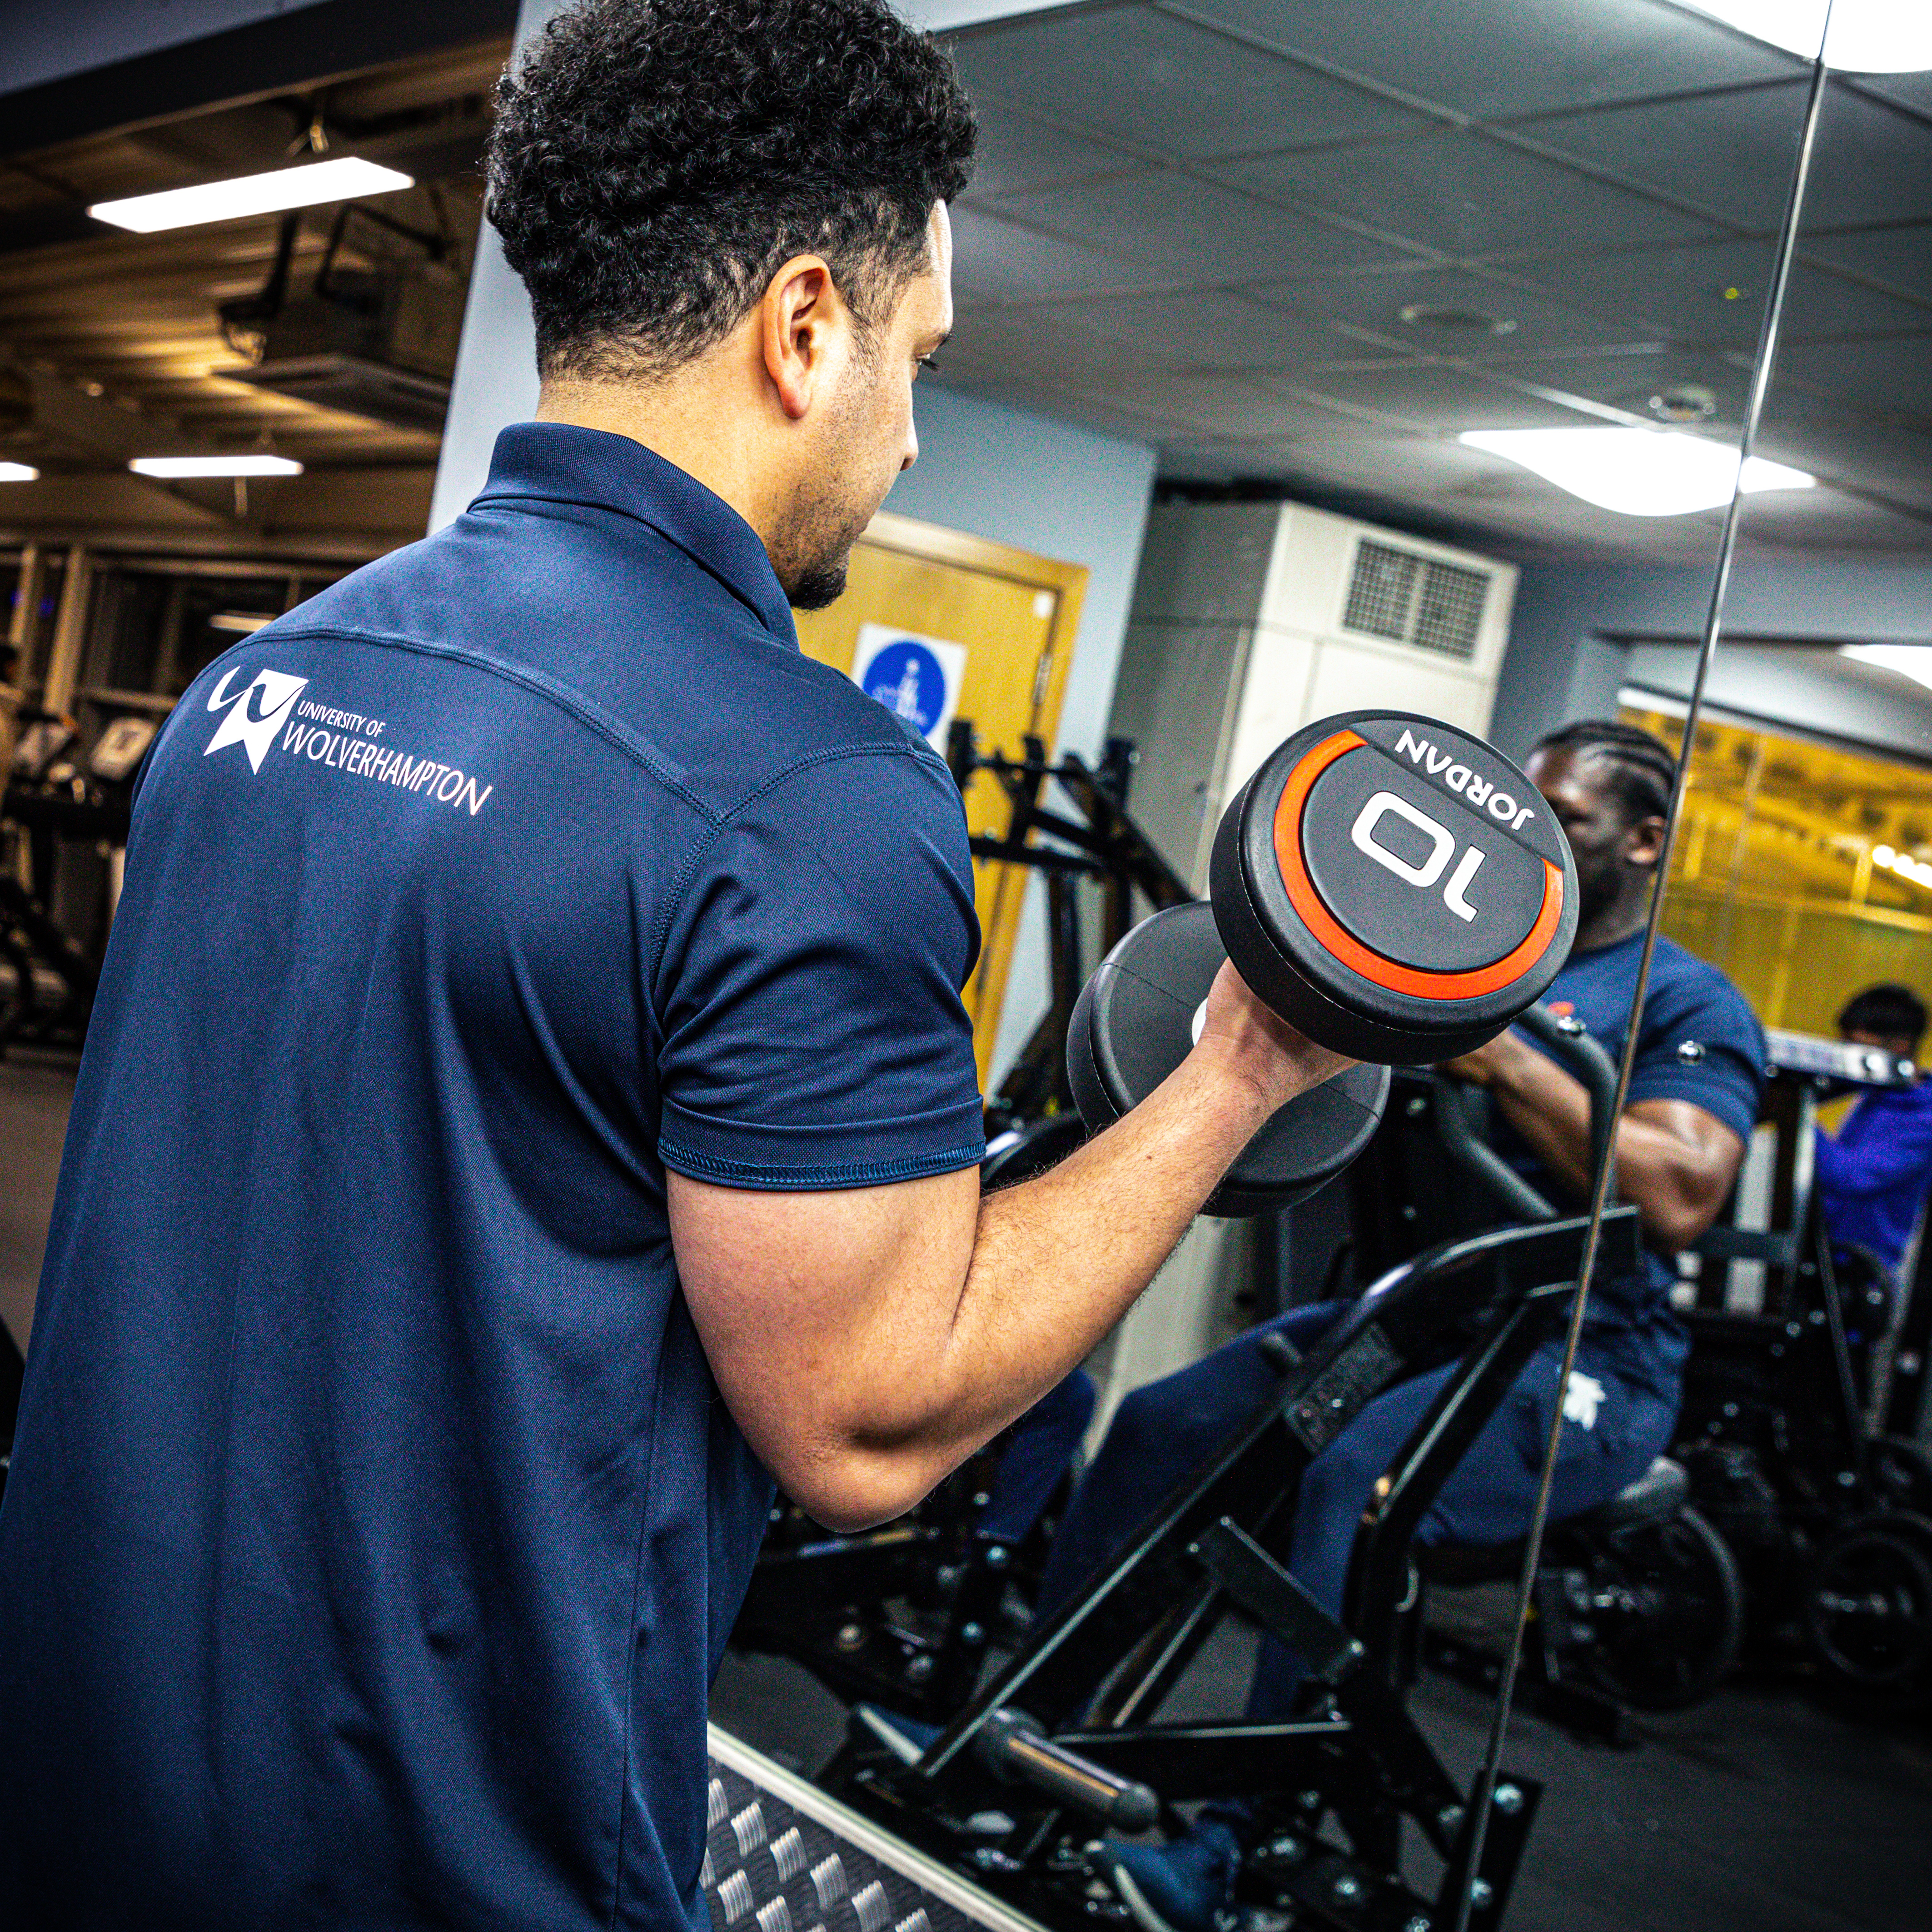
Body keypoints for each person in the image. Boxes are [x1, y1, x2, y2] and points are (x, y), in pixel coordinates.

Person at [0, 5, 1349, 1927]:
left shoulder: (262, 683)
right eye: (916, 362)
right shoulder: (800, 784)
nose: (908, 430)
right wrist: (1242, 1067)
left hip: (77, 1777)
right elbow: (871, 1415)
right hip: (440, 1865)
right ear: (807, 327)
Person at [1042, 719, 1766, 1932]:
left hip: (1581, 1364)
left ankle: (1235, 1847)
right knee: (1170, 1421)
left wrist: (1500, 1052)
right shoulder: (1468, 947)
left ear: (1645, 841)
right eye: (1525, 806)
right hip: (1421, 1317)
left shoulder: (1689, 1000)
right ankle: (1030, 1736)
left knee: (1351, 1480)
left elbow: (1680, 1193)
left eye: (1570, 818)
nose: (1531, 834)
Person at [1814, 983, 1932, 1275]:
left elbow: (1850, 1177)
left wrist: (1798, 1106)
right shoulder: (1877, 1095)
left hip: (1868, 1272)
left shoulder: (1925, 1119)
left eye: (1859, 1049)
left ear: (1900, 1046)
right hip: (1831, 1258)